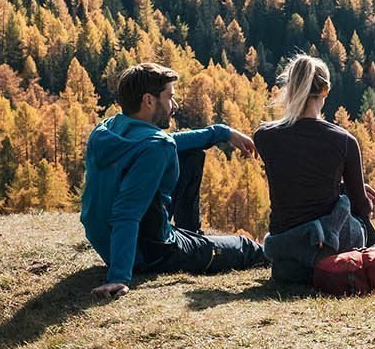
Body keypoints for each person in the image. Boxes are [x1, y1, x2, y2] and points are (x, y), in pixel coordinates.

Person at [79, 63, 268, 297]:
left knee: (190, 154)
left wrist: (222, 132)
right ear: (149, 100)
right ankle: (284, 256)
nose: (175, 106)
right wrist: (118, 277)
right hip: (152, 252)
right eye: (170, 97)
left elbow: (168, 143)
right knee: (245, 248)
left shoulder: (107, 129)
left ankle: (192, 236)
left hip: (106, 241)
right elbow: (126, 212)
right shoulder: (155, 147)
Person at [255, 54, 375, 284]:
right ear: (325, 90)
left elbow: (296, 178)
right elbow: (362, 207)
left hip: (284, 246)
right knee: (357, 216)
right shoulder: (343, 141)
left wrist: (340, 187)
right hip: (326, 248)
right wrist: (355, 193)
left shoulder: (264, 137)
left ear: (291, 88)